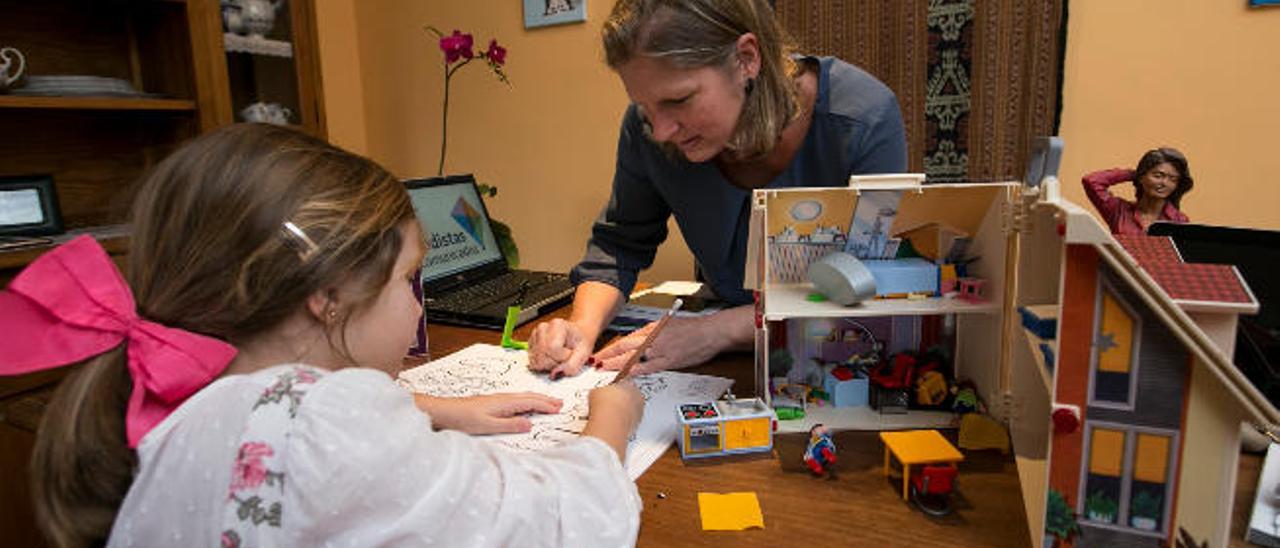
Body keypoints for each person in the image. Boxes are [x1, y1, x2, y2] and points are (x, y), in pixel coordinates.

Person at [1, 124, 644, 547]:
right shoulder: (326, 424)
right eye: (406, 282)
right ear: (329, 298)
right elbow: (564, 523)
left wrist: (435, 410)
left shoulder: (176, 391)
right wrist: (610, 417)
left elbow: (277, 413)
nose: (414, 310)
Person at [528, 0, 908, 378]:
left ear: (746, 58)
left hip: (831, 354)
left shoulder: (863, 119)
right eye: (644, 107)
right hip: (717, 361)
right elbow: (620, 245)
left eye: (678, 100)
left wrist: (719, 331)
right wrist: (582, 326)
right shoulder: (647, 130)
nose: (660, 132)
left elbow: (874, 284)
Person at [1082, 146, 1194, 236]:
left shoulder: (1179, 221)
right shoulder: (1118, 211)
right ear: (1142, 177)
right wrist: (1131, 174)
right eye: (1158, 175)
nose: (1164, 183)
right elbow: (1091, 181)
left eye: (1172, 179)